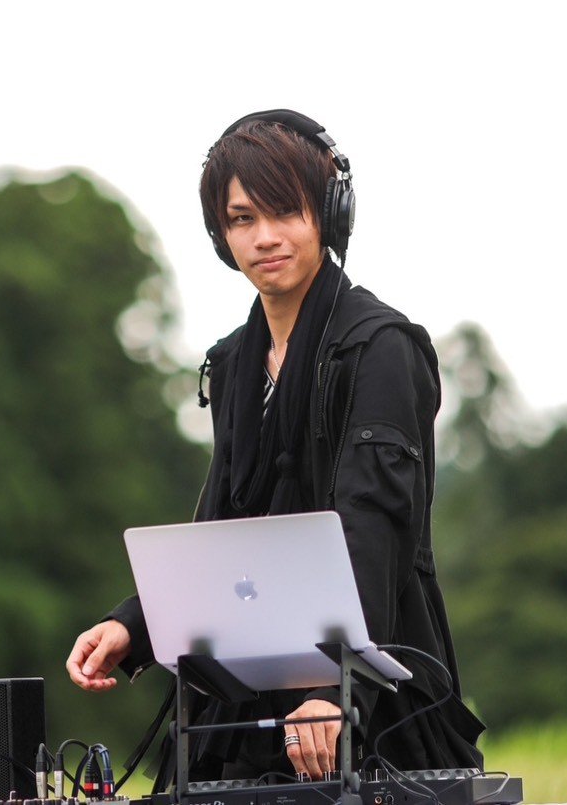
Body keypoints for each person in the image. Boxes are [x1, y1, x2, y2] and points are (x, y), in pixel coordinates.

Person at [66, 110, 485, 786]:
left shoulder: (382, 349)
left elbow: (371, 530)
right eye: (241, 219)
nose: (264, 237)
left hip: (375, 695)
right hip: (247, 692)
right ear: (220, 234)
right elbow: (223, 529)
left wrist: (334, 688)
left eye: (285, 211)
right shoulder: (234, 361)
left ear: (329, 214)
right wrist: (133, 625)